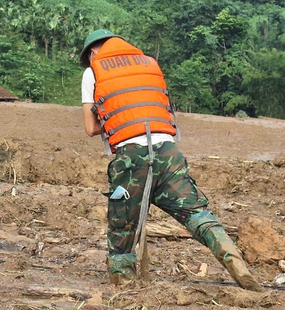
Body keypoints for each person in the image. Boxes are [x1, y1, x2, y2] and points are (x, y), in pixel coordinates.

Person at [79, 29, 263, 292]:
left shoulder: (93, 71)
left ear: (92, 52)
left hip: (131, 157)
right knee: (196, 213)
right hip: (168, 150)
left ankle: (123, 289)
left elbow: (90, 127)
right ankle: (235, 262)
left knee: (122, 228)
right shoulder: (148, 63)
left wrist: (110, 118)